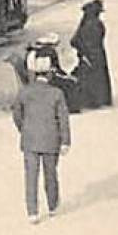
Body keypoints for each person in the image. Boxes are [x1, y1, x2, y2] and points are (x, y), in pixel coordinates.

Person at [12, 50, 71, 224]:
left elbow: (16, 114)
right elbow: (63, 119)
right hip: (51, 140)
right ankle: (52, 206)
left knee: (31, 175)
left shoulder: (24, 92)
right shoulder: (57, 93)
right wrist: (65, 141)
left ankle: (32, 212)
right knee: (50, 173)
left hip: (30, 140)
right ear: (50, 73)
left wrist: (24, 128)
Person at [69, 0, 113, 109]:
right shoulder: (97, 24)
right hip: (96, 54)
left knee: (88, 78)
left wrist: (82, 51)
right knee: (99, 78)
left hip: (87, 54)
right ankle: (100, 99)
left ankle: (90, 100)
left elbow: (74, 40)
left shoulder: (85, 24)